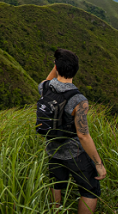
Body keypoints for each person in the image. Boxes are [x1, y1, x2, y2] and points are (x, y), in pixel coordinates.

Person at [40, 48, 107, 213]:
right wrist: (98, 164)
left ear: (56, 67)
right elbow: (83, 135)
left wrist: (57, 65)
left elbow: (49, 79)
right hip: (74, 153)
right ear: (76, 70)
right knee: (90, 189)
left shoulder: (44, 88)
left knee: (56, 183)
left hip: (52, 149)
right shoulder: (78, 100)